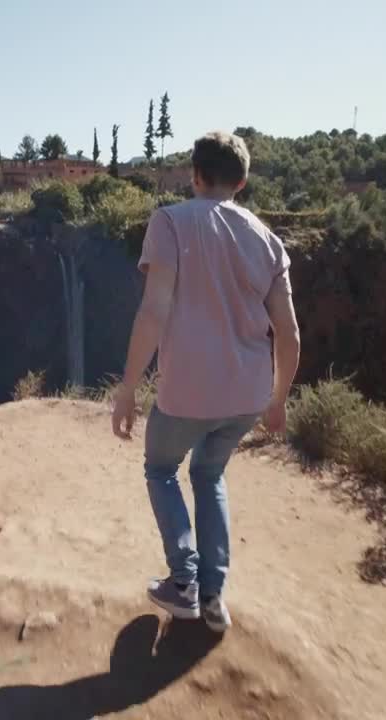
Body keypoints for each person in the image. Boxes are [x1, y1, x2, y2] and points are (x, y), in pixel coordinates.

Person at [111, 131, 300, 633]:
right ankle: (214, 597)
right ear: (241, 181)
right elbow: (290, 332)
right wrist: (277, 400)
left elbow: (154, 310)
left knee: (160, 470)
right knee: (210, 477)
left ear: (195, 175)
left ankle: (184, 583)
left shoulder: (170, 221)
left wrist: (128, 387)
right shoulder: (268, 240)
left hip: (187, 391)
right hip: (248, 395)